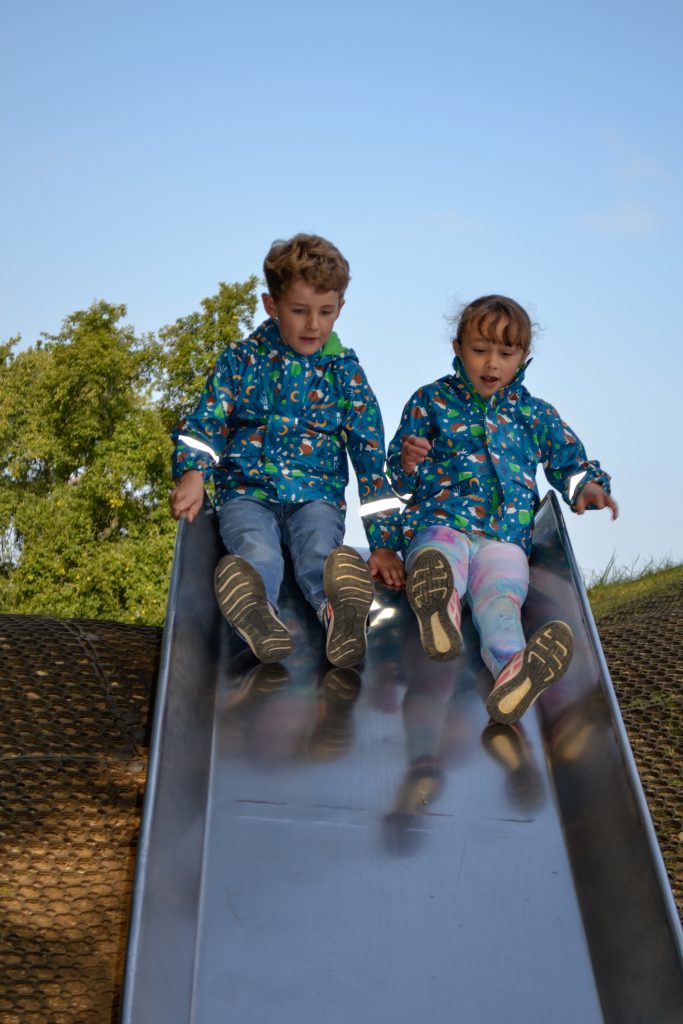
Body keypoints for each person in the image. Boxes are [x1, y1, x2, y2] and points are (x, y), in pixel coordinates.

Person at [169, 233, 405, 667]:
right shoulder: (242, 360)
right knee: (256, 552)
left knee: (320, 553)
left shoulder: (344, 373)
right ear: (272, 305)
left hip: (316, 498)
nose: (313, 324)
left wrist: (385, 543)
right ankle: (259, 617)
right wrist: (194, 472)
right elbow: (208, 420)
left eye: (325, 312)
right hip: (248, 494)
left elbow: (372, 461)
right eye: (299, 311)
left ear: (340, 309)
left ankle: (341, 616)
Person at [387, 294, 618, 725]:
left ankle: (513, 671)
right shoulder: (430, 401)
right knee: (438, 558)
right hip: (442, 521)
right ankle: (440, 609)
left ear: (523, 358)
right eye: (480, 350)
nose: (492, 364)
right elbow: (398, 482)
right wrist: (407, 461)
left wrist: (586, 487)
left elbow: (568, 462)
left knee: (503, 604)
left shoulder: (535, 414)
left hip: (505, 539)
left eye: (505, 353)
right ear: (457, 348)